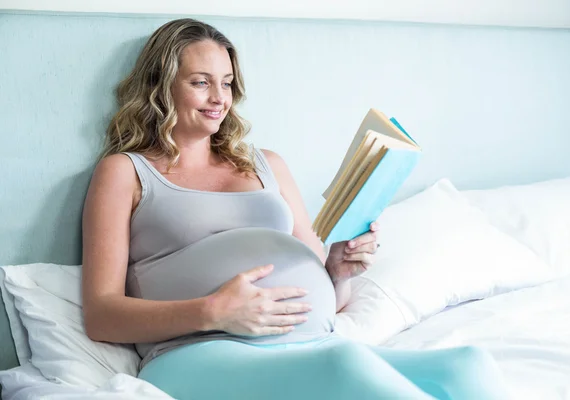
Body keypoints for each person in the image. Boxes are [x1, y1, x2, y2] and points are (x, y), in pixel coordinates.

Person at [81, 18, 510, 400]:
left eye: (227, 82)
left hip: (313, 345)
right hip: (200, 352)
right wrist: (212, 310)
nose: (219, 98)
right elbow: (101, 315)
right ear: (162, 85)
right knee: (347, 367)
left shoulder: (267, 164)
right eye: (201, 82)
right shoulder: (126, 171)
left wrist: (339, 272)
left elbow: (328, 293)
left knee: (469, 364)